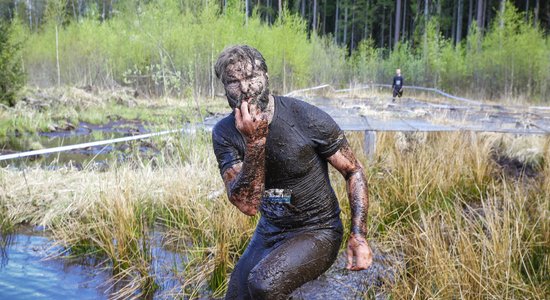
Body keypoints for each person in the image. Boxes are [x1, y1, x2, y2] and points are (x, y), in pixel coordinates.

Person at [212, 45, 373, 299]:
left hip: (319, 229)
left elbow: (353, 170)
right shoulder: (224, 133)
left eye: (252, 77)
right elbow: (248, 205)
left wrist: (359, 235)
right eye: (234, 81)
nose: (245, 88)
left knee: (263, 284)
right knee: (236, 295)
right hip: (270, 229)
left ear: (266, 76)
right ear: (223, 88)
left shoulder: (306, 117)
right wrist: (255, 143)